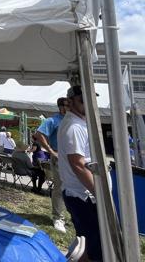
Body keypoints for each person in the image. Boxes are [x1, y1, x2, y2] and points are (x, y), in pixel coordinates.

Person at [58, 86, 103, 261]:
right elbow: (77, 164)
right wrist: (99, 193)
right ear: (70, 102)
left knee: (88, 243)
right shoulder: (74, 126)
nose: (89, 103)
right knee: (93, 246)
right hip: (81, 195)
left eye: (92, 99)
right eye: (83, 99)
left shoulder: (79, 122)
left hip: (83, 195)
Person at [34, 97, 68, 233]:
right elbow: (38, 134)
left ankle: (68, 216)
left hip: (74, 157)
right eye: (67, 105)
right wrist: (51, 151)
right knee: (60, 187)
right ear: (61, 107)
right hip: (59, 157)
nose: (69, 107)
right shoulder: (53, 120)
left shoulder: (72, 120)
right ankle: (58, 217)